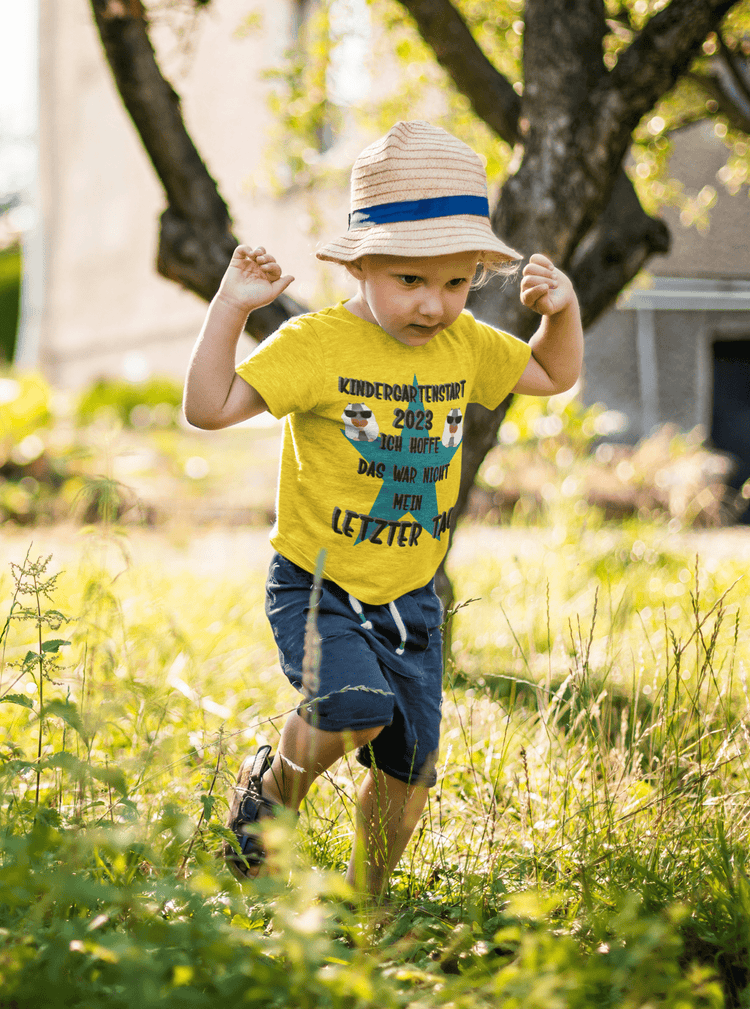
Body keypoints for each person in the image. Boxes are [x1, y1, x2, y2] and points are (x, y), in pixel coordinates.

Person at [183, 120, 583, 900]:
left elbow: (548, 373)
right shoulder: (317, 343)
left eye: (457, 281)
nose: (436, 304)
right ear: (360, 263)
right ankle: (268, 794)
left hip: (413, 602)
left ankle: (366, 911)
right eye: (410, 281)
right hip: (321, 582)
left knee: (408, 774)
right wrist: (231, 307)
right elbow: (209, 406)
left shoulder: (465, 343)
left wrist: (560, 312)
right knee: (351, 707)